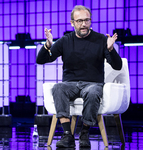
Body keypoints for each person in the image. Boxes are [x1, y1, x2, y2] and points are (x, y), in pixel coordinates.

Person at [36, 5, 122, 148]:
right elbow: (41, 60)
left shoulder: (101, 40)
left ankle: (85, 132)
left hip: (93, 83)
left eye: (87, 20)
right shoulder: (65, 40)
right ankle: (67, 135)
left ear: (91, 21)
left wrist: (111, 50)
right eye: (79, 21)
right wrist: (48, 45)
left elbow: (117, 66)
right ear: (72, 23)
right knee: (58, 88)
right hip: (70, 84)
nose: (83, 24)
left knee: (93, 91)